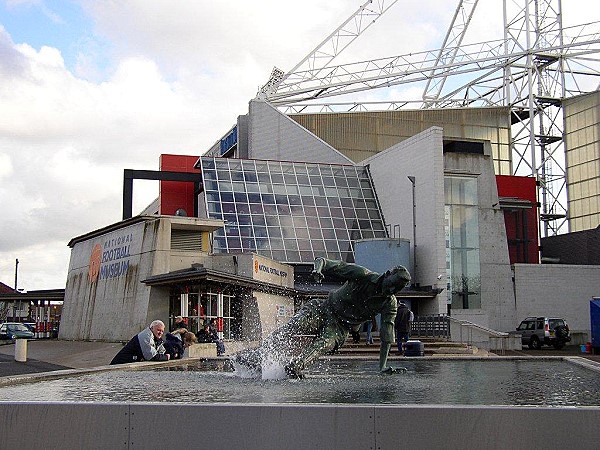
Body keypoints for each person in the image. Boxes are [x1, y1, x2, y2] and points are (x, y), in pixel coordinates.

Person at [235, 257, 411, 378]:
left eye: (397, 289)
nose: (391, 291)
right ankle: (259, 355)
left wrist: (382, 367)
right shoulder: (363, 275)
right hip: (325, 308)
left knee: (323, 344)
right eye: (392, 285)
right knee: (294, 326)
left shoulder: (389, 303)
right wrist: (317, 270)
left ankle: (296, 366)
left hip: (341, 326)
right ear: (388, 275)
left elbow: (387, 337)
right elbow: (324, 262)